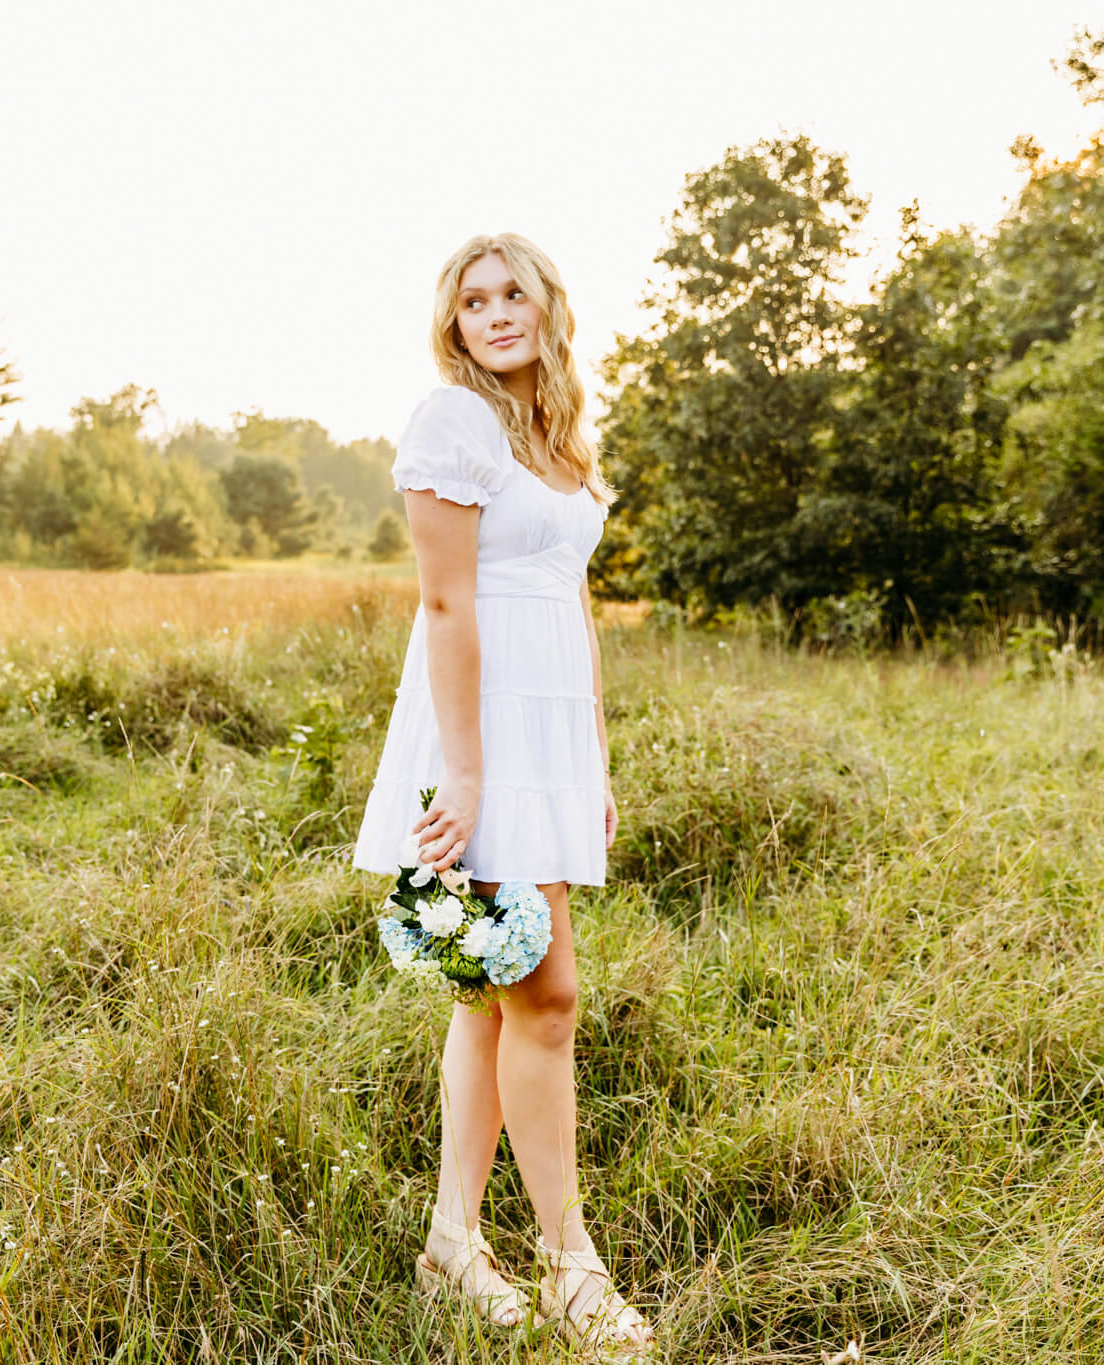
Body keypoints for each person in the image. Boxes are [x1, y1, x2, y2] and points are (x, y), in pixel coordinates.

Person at [349, 232, 655, 1354]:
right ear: (453, 323)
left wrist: (594, 763)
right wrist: (466, 777)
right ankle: (571, 1267)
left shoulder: (556, 431)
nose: (491, 313)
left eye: (509, 293)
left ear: (544, 305)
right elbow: (443, 606)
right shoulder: (454, 424)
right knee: (546, 995)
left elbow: (568, 604)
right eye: (470, 300)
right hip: (477, 735)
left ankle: (451, 1246)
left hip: (549, 737)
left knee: (487, 994)